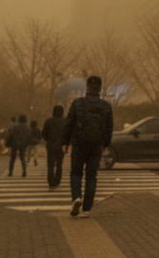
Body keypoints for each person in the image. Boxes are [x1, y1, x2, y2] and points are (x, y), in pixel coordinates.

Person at [63, 75, 113, 218]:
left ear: (87, 87)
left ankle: (76, 197)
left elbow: (69, 123)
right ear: (100, 88)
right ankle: (87, 209)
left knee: (76, 173)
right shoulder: (106, 106)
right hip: (96, 145)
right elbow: (109, 127)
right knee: (92, 176)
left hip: (79, 143)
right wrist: (106, 145)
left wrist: (65, 142)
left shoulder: (78, 103)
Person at [42, 105, 67, 190]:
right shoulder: (65, 121)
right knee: (59, 164)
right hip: (61, 146)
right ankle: (57, 180)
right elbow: (68, 134)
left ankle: (51, 181)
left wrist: (48, 140)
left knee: (51, 164)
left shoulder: (48, 121)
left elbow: (44, 134)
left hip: (51, 145)